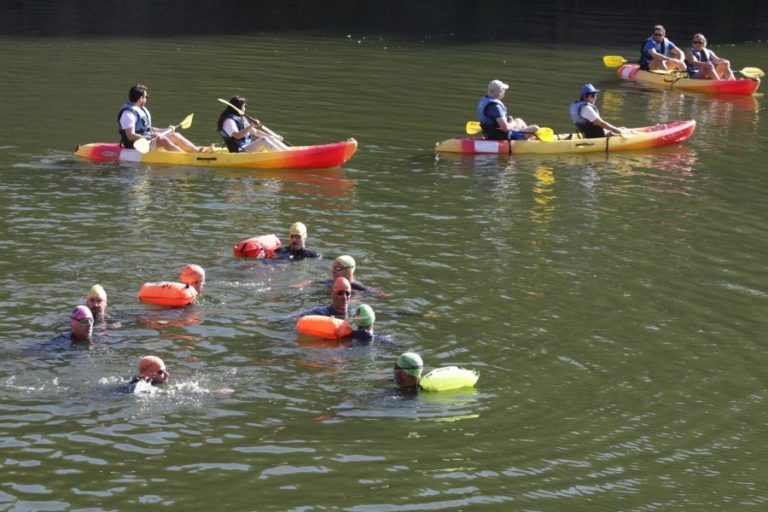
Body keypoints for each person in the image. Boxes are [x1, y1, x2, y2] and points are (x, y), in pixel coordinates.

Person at [118, 84, 200, 152]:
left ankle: (198, 151)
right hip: (136, 146)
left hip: (148, 141)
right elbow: (130, 136)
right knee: (161, 139)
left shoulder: (140, 109)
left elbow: (148, 129)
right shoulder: (128, 114)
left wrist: (165, 130)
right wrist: (150, 137)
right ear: (141, 98)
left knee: (175, 135)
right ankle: (185, 157)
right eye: (146, 97)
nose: (147, 99)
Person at [217, 95, 289, 153]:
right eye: (244, 106)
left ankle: (288, 152)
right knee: (264, 140)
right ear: (239, 107)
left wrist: (274, 137)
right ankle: (285, 156)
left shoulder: (241, 118)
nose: (245, 108)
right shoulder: (229, 120)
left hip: (247, 147)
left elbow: (256, 132)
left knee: (269, 137)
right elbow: (237, 136)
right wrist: (251, 125)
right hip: (239, 150)